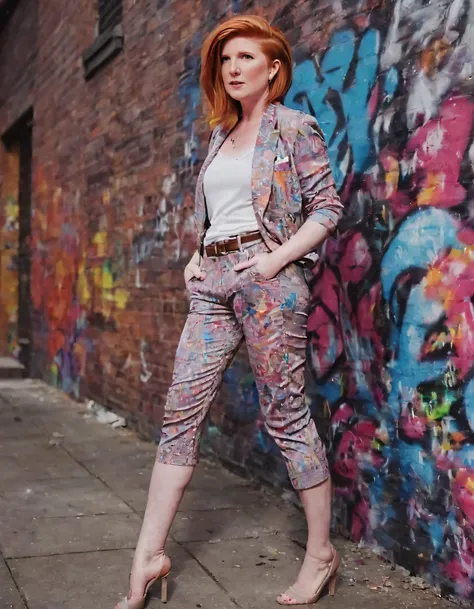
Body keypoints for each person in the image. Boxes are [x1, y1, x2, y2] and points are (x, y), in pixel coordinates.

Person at [115, 14, 344, 609]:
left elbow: (327, 209)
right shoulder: (220, 135)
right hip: (213, 281)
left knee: (286, 415)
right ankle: (147, 557)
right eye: (225, 60)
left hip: (266, 282)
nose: (233, 68)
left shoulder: (294, 127)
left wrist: (272, 264)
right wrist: (198, 254)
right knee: (179, 414)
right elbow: (225, 212)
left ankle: (320, 553)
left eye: (246, 58)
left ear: (273, 68)